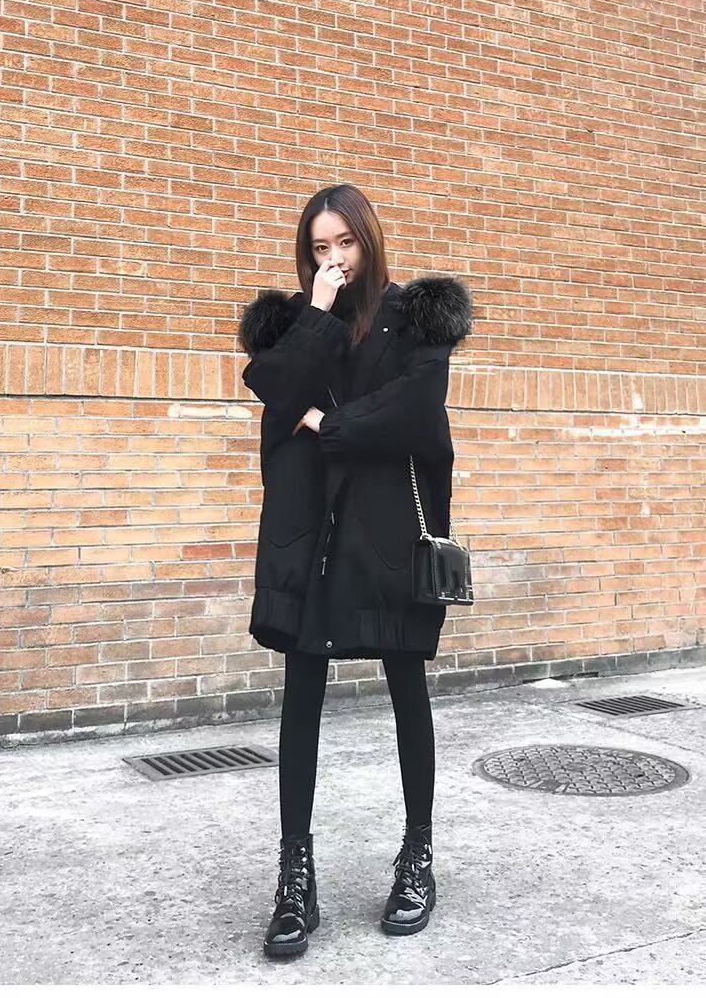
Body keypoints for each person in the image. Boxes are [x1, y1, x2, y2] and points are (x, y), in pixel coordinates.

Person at [237, 183, 473, 957]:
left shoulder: (414, 316)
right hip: (313, 539)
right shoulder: (300, 324)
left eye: (344, 243)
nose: (334, 258)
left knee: (407, 689)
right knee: (301, 695)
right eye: (319, 248)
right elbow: (274, 387)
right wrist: (316, 310)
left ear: (368, 240)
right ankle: (294, 877)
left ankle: (417, 858)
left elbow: (416, 408)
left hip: (388, 537)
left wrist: (328, 424)